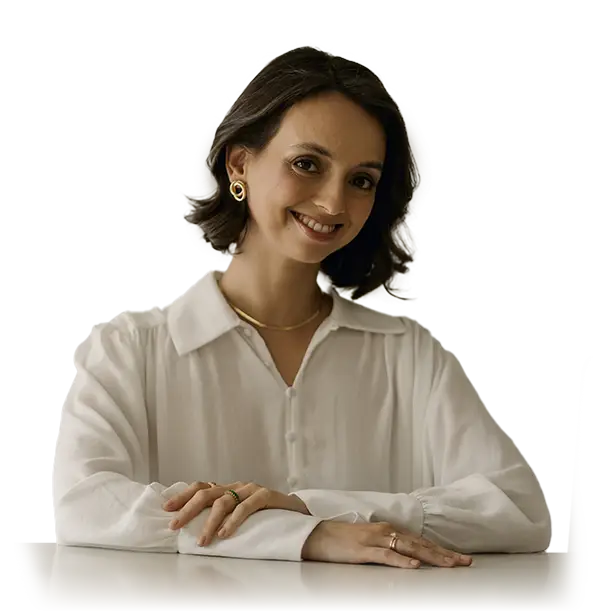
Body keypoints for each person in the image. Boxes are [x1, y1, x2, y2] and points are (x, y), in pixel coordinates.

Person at [52, 45, 552, 570]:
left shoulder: (409, 356)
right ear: (240, 163)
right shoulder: (129, 350)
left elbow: (519, 510)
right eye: (307, 164)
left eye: (361, 180)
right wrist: (306, 534)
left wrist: (314, 509)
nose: (334, 203)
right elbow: (83, 507)